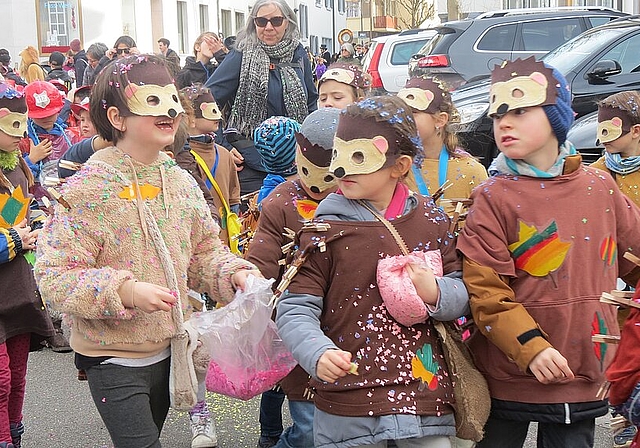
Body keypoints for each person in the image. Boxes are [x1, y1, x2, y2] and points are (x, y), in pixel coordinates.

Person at [34, 54, 261, 448]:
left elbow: (204, 252)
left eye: (172, 99)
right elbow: (54, 275)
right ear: (116, 117)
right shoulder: (87, 189)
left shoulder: (180, 182)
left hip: (170, 345)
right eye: (152, 101)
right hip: (111, 354)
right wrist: (125, 291)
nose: (170, 111)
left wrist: (233, 273)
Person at [456, 57, 640, 448]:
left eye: (520, 110)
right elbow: (487, 291)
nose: (504, 122)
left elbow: (637, 259)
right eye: (497, 113)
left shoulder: (600, 187)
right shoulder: (492, 197)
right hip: (510, 375)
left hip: (584, 371)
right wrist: (532, 349)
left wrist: (621, 325)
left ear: (555, 115)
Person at [276, 95, 469, 448]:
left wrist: (437, 292)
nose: (340, 169)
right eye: (338, 155)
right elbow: (295, 308)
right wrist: (317, 352)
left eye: (359, 157)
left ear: (400, 166)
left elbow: (461, 291)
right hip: (350, 400)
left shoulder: (432, 222)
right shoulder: (324, 230)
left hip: (421, 397)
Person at [247, 107, 340, 448]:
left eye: (327, 175)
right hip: (298, 325)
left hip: (352, 328)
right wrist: (250, 288)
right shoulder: (281, 201)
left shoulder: (361, 195)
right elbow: (261, 259)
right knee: (309, 426)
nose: (315, 185)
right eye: (307, 171)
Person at [206, 0, 318, 197]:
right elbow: (208, 100)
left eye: (275, 20)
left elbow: (310, 102)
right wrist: (223, 145)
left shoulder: (298, 54)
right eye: (261, 21)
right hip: (252, 161)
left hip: (296, 160)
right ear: (253, 23)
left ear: (287, 22)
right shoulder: (241, 54)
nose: (268, 27)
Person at [0, 82, 55, 448]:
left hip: (16, 288)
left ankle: (14, 435)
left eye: (22, 124)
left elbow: (12, 214)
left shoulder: (18, 166)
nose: (19, 134)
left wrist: (35, 223)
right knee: (1, 378)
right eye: (10, 124)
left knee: (17, 376)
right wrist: (16, 240)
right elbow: (9, 234)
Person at [397, 76, 487, 217]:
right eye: (400, 113)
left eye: (412, 113)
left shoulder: (471, 170)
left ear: (440, 120)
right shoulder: (397, 168)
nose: (403, 119)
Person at [180, 84, 240, 251]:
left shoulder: (224, 154)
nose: (218, 117)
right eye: (210, 112)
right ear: (189, 118)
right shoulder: (183, 157)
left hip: (223, 244)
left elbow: (233, 199)